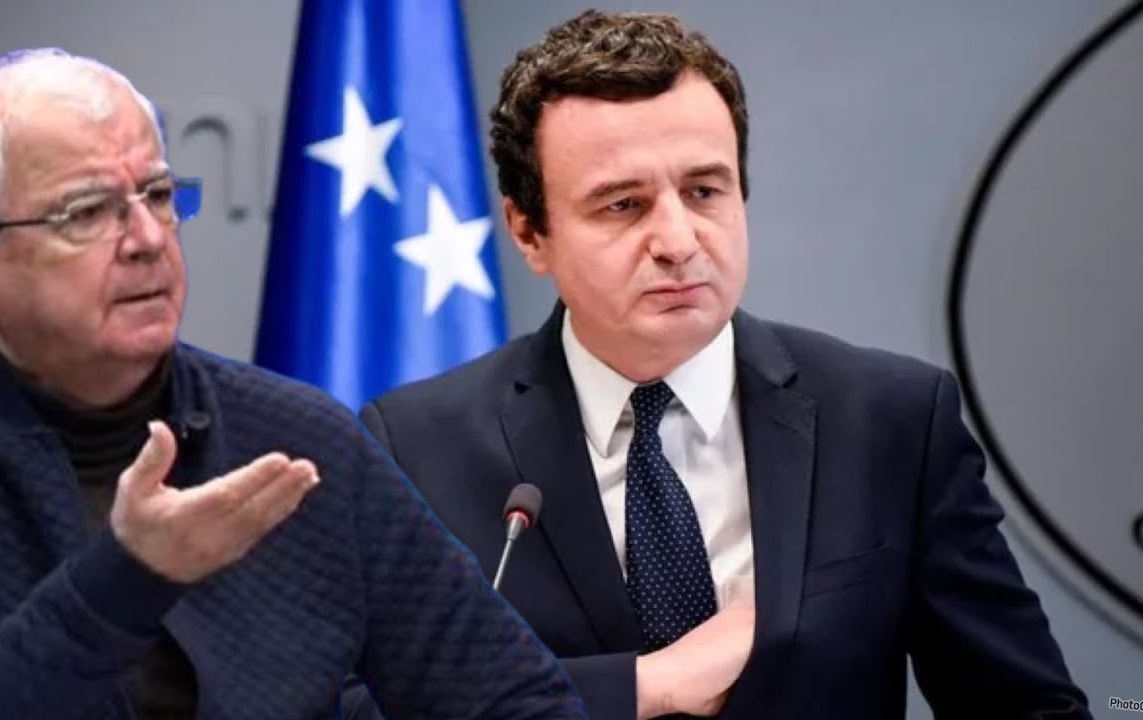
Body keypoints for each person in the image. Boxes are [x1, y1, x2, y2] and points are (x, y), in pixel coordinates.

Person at [358, 10, 1091, 720]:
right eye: (623, 205)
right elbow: (354, 706)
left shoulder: (890, 420)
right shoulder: (418, 447)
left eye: (704, 191)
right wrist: (642, 688)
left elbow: (1030, 706)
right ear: (528, 231)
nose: (678, 241)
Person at [0, 48, 586, 720]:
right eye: (86, 212)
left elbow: (516, 700)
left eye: (157, 194)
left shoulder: (297, 439)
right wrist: (125, 581)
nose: (149, 238)